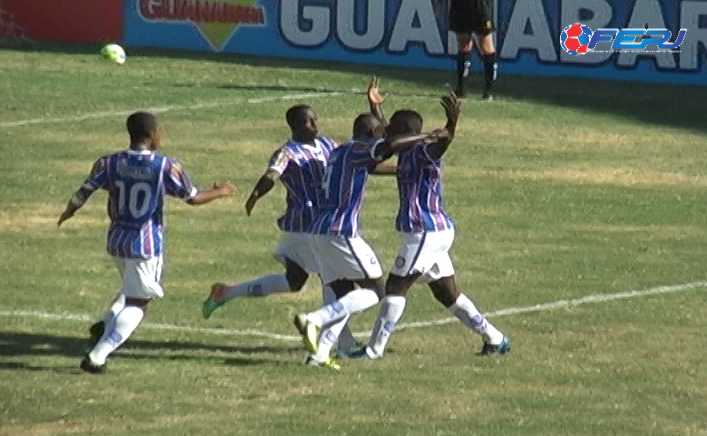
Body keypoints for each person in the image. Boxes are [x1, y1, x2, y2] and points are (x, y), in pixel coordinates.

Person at [57, 111, 236, 374]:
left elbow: (85, 190)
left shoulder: (109, 162)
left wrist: (68, 212)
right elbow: (193, 197)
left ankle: (104, 324)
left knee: (131, 286)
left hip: (117, 239)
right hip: (145, 243)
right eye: (160, 131)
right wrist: (222, 191)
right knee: (140, 301)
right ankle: (97, 356)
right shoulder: (165, 166)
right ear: (153, 135)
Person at [352, 93, 510, 360]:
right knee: (447, 294)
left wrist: (452, 121)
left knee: (395, 287)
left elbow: (444, 141)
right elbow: (388, 144)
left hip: (424, 231)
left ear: (405, 132)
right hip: (434, 232)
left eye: (391, 128)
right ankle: (495, 339)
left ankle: (374, 350)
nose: (386, 131)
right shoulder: (405, 151)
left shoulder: (425, 151)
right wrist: (375, 108)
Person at [199, 104, 362, 355]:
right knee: (334, 281)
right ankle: (343, 343)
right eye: (309, 122)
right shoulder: (287, 153)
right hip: (305, 226)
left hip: (319, 224)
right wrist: (255, 195)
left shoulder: (327, 144)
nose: (315, 125)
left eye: (316, 120)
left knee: (294, 281)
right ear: (295, 125)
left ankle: (226, 292)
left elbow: (353, 154)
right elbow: (271, 175)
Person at [293, 108, 445, 370]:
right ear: (370, 134)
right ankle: (314, 319)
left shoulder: (340, 151)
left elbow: (384, 157)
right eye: (379, 133)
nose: (383, 136)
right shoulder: (359, 149)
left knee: (343, 297)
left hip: (318, 232)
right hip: (340, 231)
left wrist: (378, 113)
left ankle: (321, 353)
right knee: (377, 291)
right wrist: (426, 137)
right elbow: (392, 144)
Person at [449, 0, 498, 100]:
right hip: (460, 3)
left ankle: (489, 90)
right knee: (463, 43)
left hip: (480, 3)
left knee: (486, 45)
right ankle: (461, 89)